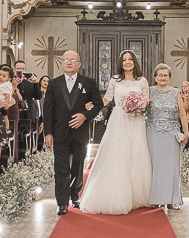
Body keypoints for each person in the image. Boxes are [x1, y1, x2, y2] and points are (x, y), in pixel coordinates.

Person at [78, 50, 152, 214]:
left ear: (135, 62)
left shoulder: (142, 81)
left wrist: (140, 104)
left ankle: (137, 195)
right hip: (119, 118)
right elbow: (106, 98)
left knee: (136, 151)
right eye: (124, 59)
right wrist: (92, 106)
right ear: (120, 63)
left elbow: (146, 100)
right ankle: (117, 193)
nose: (127, 62)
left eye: (130, 59)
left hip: (136, 119)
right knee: (118, 152)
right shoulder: (115, 79)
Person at [43, 50, 104, 215]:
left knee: (77, 167)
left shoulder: (88, 83)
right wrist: (48, 133)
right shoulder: (54, 84)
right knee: (61, 168)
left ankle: (74, 196)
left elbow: (98, 104)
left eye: (73, 60)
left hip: (80, 133)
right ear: (62, 63)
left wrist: (85, 116)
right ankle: (62, 203)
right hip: (59, 132)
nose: (69, 62)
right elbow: (47, 110)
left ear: (79, 64)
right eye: (66, 60)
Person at [147, 63, 188, 210]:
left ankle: (172, 200)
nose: (163, 78)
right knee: (155, 165)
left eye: (165, 75)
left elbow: (182, 114)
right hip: (153, 131)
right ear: (155, 77)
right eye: (160, 75)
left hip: (171, 133)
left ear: (170, 77)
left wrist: (186, 132)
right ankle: (155, 198)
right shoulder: (149, 91)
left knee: (172, 166)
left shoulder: (176, 92)